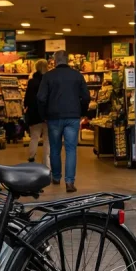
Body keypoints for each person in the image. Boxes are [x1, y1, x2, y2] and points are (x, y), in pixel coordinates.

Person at [37, 50, 91, 193]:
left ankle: (56, 177)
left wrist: (44, 115)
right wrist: (82, 112)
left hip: (53, 117)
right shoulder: (77, 76)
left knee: (55, 149)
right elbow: (86, 97)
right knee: (71, 149)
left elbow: (41, 98)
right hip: (73, 117)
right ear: (67, 60)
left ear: (54, 61)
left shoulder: (48, 76)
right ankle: (69, 182)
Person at [23, 59, 50, 167]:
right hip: (48, 114)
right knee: (47, 139)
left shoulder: (32, 81)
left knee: (34, 137)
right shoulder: (49, 81)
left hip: (34, 114)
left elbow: (28, 99)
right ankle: (46, 161)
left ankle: (31, 156)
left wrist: (26, 107)